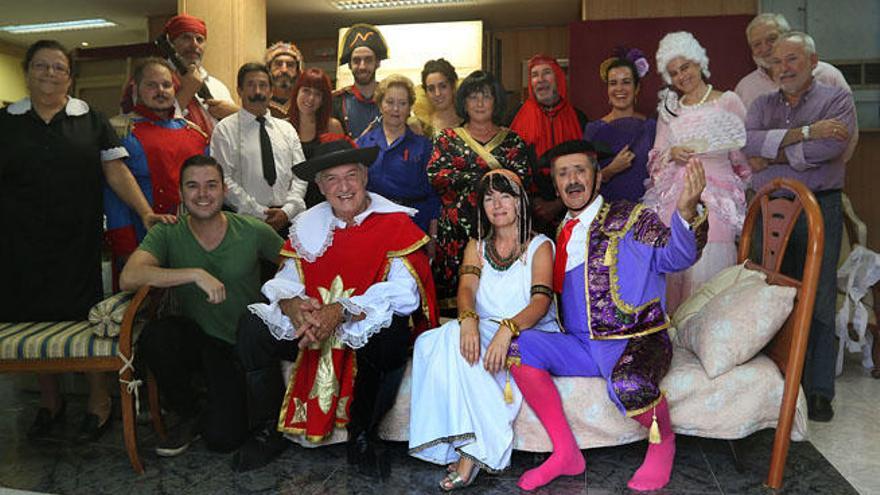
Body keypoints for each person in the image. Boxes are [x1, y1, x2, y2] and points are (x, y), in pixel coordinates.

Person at [0, 40, 174, 443]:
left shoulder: (89, 119)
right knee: (33, 317)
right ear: (27, 72)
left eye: (58, 68)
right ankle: (50, 402)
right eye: (40, 66)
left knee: (85, 318)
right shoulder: (6, 122)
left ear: (70, 77)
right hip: (18, 242)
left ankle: (99, 402)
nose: (49, 74)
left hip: (77, 241)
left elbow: (116, 173)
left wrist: (145, 211)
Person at [510, 139, 708, 492]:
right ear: (555, 185)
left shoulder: (632, 217)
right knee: (518, 347)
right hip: (583, 345)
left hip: (637, 339)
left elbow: (675, 257)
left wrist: (686, 212)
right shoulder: (559, 231)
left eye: (580, 171)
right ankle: (566, 452)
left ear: (598, 177)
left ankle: (662, 444)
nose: (572, 180)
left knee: (628, 383)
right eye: (562, 174)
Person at [234, 140, 438, 474]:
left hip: (360, 325)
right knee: (252, 327)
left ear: (365, 177)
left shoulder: (397, 225)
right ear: (319, 186)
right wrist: (293, 305)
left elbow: (405, 295)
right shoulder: (305, 226)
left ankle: (363, 435)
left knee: (391, 332)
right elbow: (285, 280)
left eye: (351, 176)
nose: (343, 187)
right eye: (331, 178)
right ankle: (267, 430)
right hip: (309, 326)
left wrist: (341, 311)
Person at [120, 154, 283, 457]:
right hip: (199, 341)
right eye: (193, 186)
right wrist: (194, 274)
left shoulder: (251, 230)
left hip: (242, 345)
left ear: (224, 190)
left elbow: (296, 264)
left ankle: (220, 403)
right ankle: (189, 409)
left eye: (211, 185)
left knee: (223, 440)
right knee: (157, 337)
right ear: (181, 193)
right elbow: (129, 276)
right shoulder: (168, 232)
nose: (203, 194)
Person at [409, 169, 559, 490]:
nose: (498, 204)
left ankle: (474, 452)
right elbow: (467, 290)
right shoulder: (477, 245)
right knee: (428, 343)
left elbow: (540, 302)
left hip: (529, 331)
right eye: (489, 197)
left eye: (506, 195)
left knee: (450, 339)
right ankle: (458, 441)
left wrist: (507, 330)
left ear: (521, 201)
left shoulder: (540, 246)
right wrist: (468, 319)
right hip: (486, 326)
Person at [743, 32, 856, 423]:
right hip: (769, 206)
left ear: (813, 60)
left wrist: (772, 156)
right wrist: (807, 133)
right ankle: (774, 387)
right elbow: (748, 143)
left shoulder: (836, 98)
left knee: (820, 297)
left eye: (793, 59)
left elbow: (832, 150)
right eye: (778, 61)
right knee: (771, 296)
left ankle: (818, 391)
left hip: (819, 207)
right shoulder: (759, 103)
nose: (784, 68)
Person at [643, 31, 749, 311]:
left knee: (712, 257)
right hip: (676, 197)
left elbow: (742, 155)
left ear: (699, 62)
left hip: (718, 198)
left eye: (686, 67)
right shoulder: (671, 110)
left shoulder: (728, 101)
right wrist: (671, 153)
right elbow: (654, 157)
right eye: (674, 72)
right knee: (676, 256)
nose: (682, 76)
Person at [428, 70, 531, 309]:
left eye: (486, 96)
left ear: (496, 100)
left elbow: (522, 179)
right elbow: (437, 176)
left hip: (502, 232)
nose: (480, 103)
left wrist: (470, 179)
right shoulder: (447, 139)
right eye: (473, 97)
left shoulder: (513, 141)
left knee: (501, 303)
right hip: (456, 235)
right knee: (456, 310)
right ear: (464, 102)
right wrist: (487, 178)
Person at [105, 57, 209, 262]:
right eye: (151, 85)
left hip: (192, 239)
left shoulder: (195, 134)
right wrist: (123, 241)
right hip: (139, 236)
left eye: (166, 85)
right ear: (136, 89)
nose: (160, 91)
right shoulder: (119, 131)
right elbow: (111, 191)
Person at [734, 13, 857, 163]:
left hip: (821, 180)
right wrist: (808, 133)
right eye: (757, 44)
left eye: (771, 39)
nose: (765, 48)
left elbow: (842, 137)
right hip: (764, 183)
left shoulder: (829, 75)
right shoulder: (745, 87)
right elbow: (745, 140)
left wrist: (771, 158)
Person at [210, 63, 307, 237]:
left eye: (263, 85)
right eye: (250, 85)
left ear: (271, 91)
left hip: (288, 222)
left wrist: (287, 211)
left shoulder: (287, 129)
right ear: (239, 91)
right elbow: (222, 179)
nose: (257, 92)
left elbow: (301, 174)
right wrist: (260, 213)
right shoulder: (224, 129)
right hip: (244, 223)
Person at [510, 54, 589, 237]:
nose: (540, 80)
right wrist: (534, 202)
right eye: (535, 75)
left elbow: (588, 169)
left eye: (547, 73)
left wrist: (558, 204)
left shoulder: (579, 118)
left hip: (573, 207)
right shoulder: (514, 117)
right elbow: (511, 167)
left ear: (559, 78)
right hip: (529, 213)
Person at [357, 74, 440, 237]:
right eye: (390, 102)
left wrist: (433, 235)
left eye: (402, 103)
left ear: (409, 108)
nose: (396, 109)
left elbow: (433, 194)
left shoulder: (423, 146)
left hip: (413, 224)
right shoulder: (364, 143)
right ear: (380, 105)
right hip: (372, 223)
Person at [584, 48, 656, 202]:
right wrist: (610, 170)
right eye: (613, 83)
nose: (619, 89)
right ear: (608, 90)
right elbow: (584, 180)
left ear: (636, 88)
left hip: (645, 215)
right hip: (605, 214)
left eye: (626, 82)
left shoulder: (651, 128)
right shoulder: (594, 130)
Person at [163, 14, 238, 134]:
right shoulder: (156, 80)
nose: (194, 45)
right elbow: (152, 126)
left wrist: (236, 114)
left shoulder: (218, 86)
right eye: (186, 38)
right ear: (171, 43)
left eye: (199, 39)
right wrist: (187, 91)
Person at [287, 67, 346, 207]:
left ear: (323, 100)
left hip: (326, 203)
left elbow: (342, 169)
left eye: (317, 94)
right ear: (297, 92)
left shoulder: (333, 126)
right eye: (306, 91)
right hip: (290, 204)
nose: (311, 98)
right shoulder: (283, 128)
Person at [332, 23, 388, 139]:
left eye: (368, 60)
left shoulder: (391, 96)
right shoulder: (336, 102)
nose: (362, 66)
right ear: (349, 65)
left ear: (377, 63)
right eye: (356, 60)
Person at [410, 58, 463, 137]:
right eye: (431, 89)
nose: (437, 93)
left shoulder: (470, 122)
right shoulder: (421, 128)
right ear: (426, 93)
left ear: (453, 86)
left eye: (443, 86)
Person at [265, 41, 304, 119]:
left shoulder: (306, 102)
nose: (284, 70)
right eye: (278, 64)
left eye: (290, 65)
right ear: (268, 70)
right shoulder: (259, 101)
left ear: (298, 72)